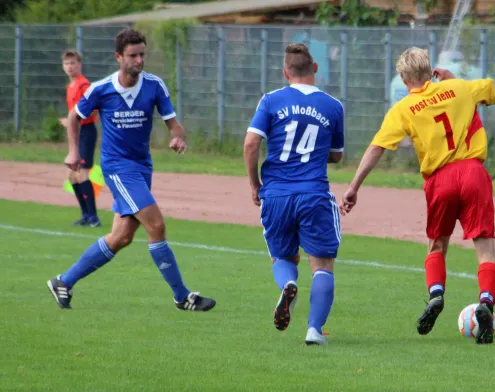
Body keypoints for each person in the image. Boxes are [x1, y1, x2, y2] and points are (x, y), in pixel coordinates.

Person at [338, 47, 495, 345]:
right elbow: (492, 93)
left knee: (437, 244)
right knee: (485, 248)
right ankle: (486, 303)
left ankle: (436, 294)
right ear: (431, 71)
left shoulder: (403, 108)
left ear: (404, 79)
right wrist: (455, 80)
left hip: (440, 179)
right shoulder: (458, 87)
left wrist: (354, 187)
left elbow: (377, 148)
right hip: (473, 173)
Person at [46, 28, 216, 313]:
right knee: (157, 225)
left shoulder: (154, 86)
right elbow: (75, 117)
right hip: (117, 167)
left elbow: (174, 124)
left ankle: (64, 281)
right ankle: (182, 296)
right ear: (118, 57)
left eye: (142, 55)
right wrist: (74, 151)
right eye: (133, 56)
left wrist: (178, 137)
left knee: (122, 237)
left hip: (142, 167)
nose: (139, 60)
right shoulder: (101, 89)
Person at [243, 43, 344, 346]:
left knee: (282, 257)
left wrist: (254, 184)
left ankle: (288, 283)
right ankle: (314, 330)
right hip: (313, 194)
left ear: (285, 73)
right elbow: (337, 156)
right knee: (322, 265)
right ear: (315, 69)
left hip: (275, 194)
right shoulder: (332, 105)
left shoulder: (271, 100)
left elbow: (251, 144)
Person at [60, 49, 101, 227]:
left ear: (80, 65)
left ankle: (93, 217)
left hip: (86, 131)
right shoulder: (70, 86)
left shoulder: (84, 85)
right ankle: (85, 215)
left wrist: (75, 118)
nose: (70, 67)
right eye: (67, 63)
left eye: (73, 63)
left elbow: (94, 108)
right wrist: (69, 121)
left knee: (82, 172)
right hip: (76, 132)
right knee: (72, 175)